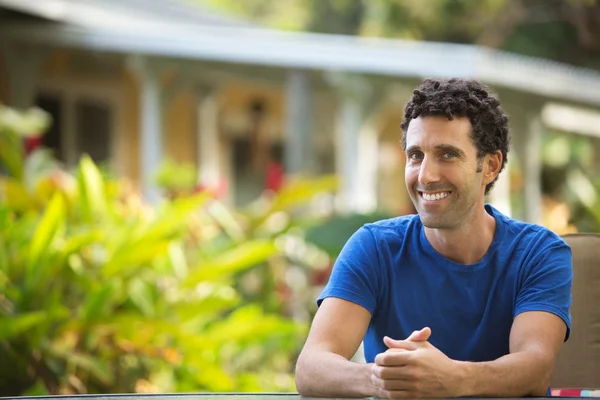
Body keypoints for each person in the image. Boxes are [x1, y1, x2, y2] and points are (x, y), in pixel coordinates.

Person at [295, 78, 572, 398]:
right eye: (416, 155)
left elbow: (535, 368)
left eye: (447, 154)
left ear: (491, 166)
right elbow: (311, 366)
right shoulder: (374, 246)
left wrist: (455, 378)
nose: (425, 175)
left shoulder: (539, 252)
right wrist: (383, 379)